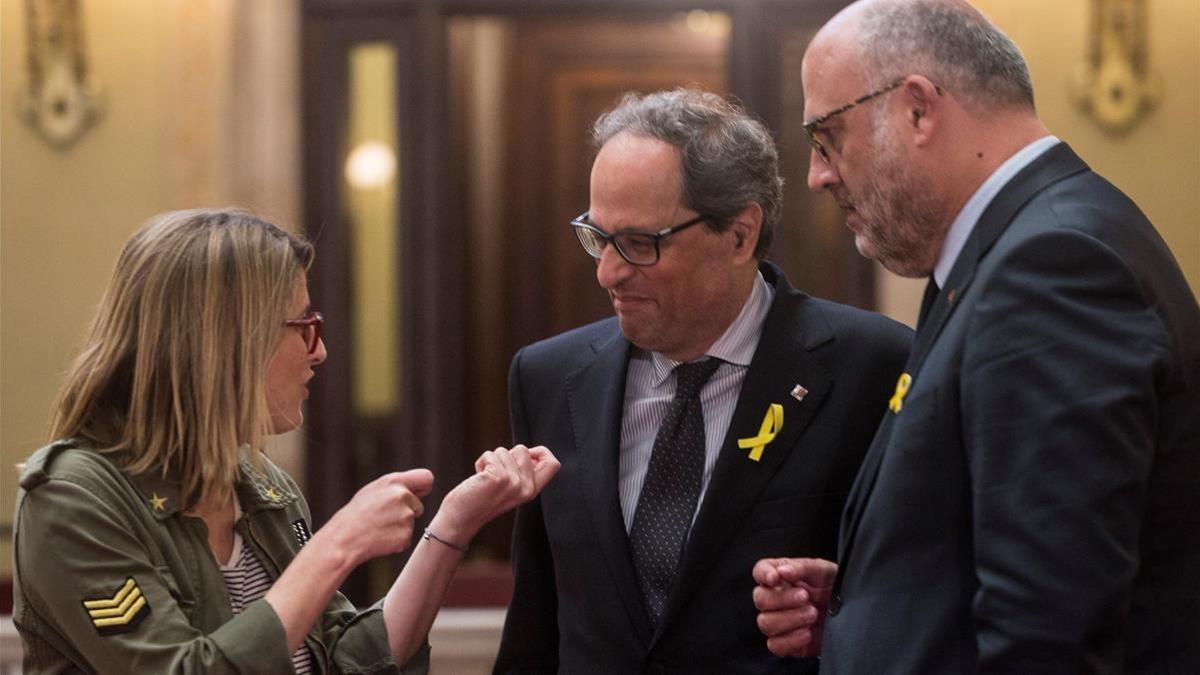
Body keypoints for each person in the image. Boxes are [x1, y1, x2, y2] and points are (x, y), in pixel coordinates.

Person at [752, 1, 1200, 672]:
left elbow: (1048, 632)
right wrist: (872, 603)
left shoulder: (1050, 267)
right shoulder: (1011, 250)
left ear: (918, 110)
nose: (819, 174)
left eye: (828, 135)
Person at [12, 208, 560, 674]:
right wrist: (337, 543)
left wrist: (454, 524)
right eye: (304, 326)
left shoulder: (259, 485)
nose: (318, 352)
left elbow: (351, 658)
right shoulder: (73, 497)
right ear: (226, 340)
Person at [493, 89, 912, 674]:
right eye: (597, 236)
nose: (607, 272)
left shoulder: (873, 367)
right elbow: (536, 624)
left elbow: (914, 597)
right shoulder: (549, 377)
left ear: (740, 235)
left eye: (640, 244)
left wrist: (835, 608)